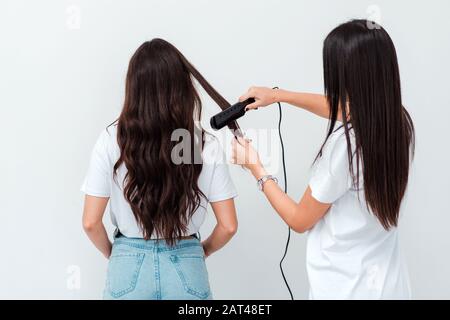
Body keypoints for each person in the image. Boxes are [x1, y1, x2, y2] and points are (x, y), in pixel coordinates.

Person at [231, 20, 415, 299]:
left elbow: (300, 220)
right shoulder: (396, 122)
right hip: (390, 288)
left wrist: (255, 167)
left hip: (346, 290)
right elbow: (348, 107)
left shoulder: (344, 148)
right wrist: (278, 96)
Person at [81, 39, 238, 300]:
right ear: (182, 88)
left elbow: (90, 222)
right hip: (187, 264)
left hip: (127, 264)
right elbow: (229, 226)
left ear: (133, 87)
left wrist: (120, 254)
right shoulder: (202, 143)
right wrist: (201, 251)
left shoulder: (110, 139)